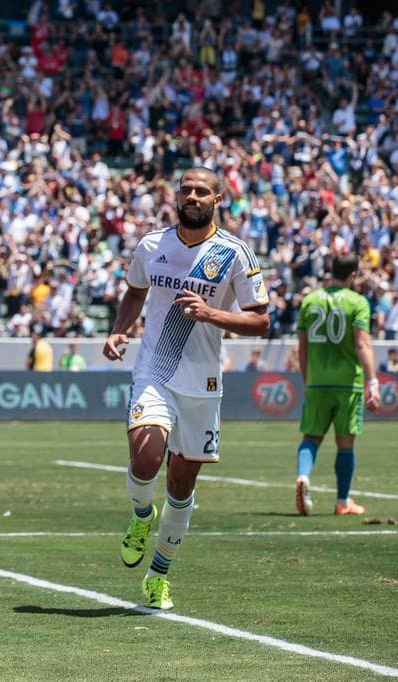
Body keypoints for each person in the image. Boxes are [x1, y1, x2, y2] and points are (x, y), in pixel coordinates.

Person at [102, 167, 270, 610]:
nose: (192, 196)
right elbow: (134, 293)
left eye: (202, 191)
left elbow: (261, 320)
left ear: (219, 199)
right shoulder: (152, 245)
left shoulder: (235, 253)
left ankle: (159, 575)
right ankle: (141, 516)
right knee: (147, 455)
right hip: (154, 369)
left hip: (203, 383)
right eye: (186, 189)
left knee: (180, 485)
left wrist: (212, 314)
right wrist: (120, 330)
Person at [294, 253, 381, 517]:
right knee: (345, 444)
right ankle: (343, 501)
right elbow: (363, 344)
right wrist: (373, 381)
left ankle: (303, 476)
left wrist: (307, 381)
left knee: (311, 438)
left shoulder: (310, 301)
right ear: (353, 275)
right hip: (348, 384)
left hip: (318, 382)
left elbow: (302, 347)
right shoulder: (358, 302)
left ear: (331, 271)